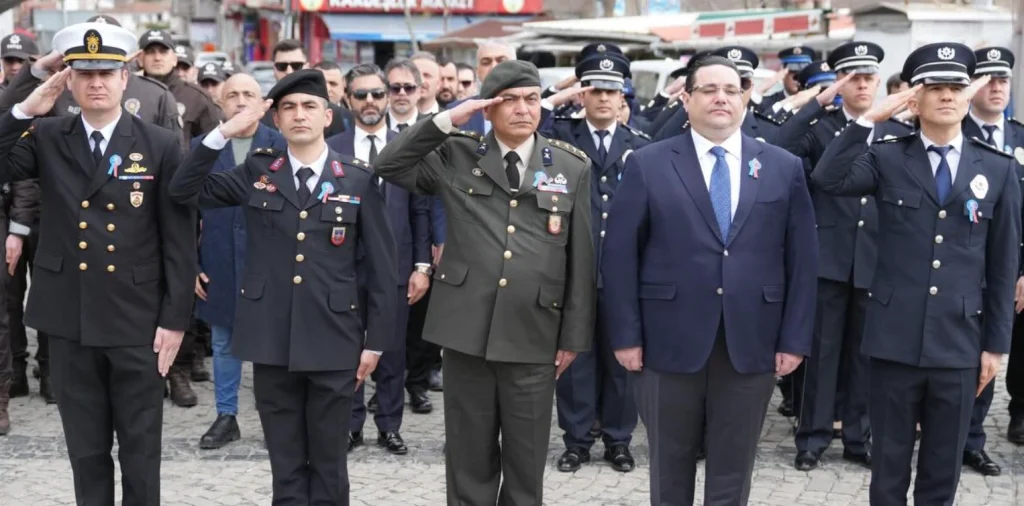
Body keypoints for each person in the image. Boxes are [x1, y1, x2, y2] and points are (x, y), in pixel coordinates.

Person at [169, 69, 397, 505]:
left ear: (328, 116)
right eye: (288, 107)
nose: (299, 115)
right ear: (275, 119)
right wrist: (224, 131)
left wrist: (377, 342)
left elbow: (383, 270)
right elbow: (183, 191)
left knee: (330, 465)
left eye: (309, 106)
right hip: (270, 336)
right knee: (286, 464)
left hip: (334, 337)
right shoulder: (256, 171)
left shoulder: (357, 178)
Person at [374, 59, 595, 505]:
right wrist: (444, 120)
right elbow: (389, 164)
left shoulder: (571, 167)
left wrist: (573, 335)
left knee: (526, 464)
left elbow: (582, 258)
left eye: (531, 99)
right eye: (508, 100)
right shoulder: (457, 152)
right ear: (487, 110)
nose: (521, 109)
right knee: (468, 460)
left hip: (534, 333)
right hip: (465, 331)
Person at [601, 55, 817, 505]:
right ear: (686, 99)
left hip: (752, 340)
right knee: (669, 464)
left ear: (746, 98)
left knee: (733, 468)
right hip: (666, 341)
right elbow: (619, 256)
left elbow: (802, 260)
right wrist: (625, 335)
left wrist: (794, 339)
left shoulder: (782, 166)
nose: (721, 98)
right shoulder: (648, 163)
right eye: (708, 90)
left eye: (732, 90)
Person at [811, 43, 1020, 505]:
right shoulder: (888, 156)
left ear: (969, 96)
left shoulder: (999, 169)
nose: (947, 96)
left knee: (941, 474)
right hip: (892, 340)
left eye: (956, 87)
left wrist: (995, 345)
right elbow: (829, 179)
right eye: (935, 87)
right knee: (887, 469)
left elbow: (1003, 266)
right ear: (914, 98)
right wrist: (870, 119)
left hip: (959, 342)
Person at [0, 22, 196, 503]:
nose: (96, 82)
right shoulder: (47, 134)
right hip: (69, 318)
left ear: (125, 78)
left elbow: (179, 239)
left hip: (136, 319)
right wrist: (25, 103)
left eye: (107, 72)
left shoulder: (159, 144)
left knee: (140, 451)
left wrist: (175, 321)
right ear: (68, 80)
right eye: (83, 72)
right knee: (85, 453)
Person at [774, 41, 913, 472]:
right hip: (828, 257)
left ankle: (858, 436)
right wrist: (819, 101)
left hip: (875, 259)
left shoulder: (896, 131)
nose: (864, 84)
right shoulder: (821, 127)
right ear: (840, 81)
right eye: (854, 77)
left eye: (870, 77)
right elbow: (780, 146)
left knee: (864, 355)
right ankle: (812, 438)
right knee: (822, 353)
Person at [539, 50, 647, 474]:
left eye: (611, 90)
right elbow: (533, 126)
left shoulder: (639, 146)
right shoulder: (561, 139)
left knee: (622, 360)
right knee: (575, 359)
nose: (603, 98)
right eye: (594, 89)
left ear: (623, 96)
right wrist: (558, 95)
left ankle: (619, 440)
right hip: (573, 271)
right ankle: (577, 440)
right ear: (581, 94)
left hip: (623, 273)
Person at [326, 63, 432, 455]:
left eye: (377, 94)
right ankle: (351, 424)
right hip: (344, 268)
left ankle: (390, 425)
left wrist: (422, 266)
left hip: (398, 267)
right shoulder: (332, 146)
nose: (369, 101)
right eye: (361, 95)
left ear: (388, 98)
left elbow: (420, 210)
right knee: (347, 350)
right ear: (347, 100)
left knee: (393, 352)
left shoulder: (408, 145)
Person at [194, 73, 287, 450]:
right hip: (219, 259)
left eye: (249, 94)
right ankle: (226, 416)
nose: (241, 100)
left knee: (273, 344)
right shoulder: (203, 146)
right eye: (232, 94)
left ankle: (276, 417)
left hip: (271, 262)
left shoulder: (282, 145)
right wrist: (190, 262)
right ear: (220, 101)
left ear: (263, 102)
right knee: (224, 341)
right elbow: (183, 209)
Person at [956, 46, 1024, 474]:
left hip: (1012, 271)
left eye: (1004, 80)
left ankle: (973, 440)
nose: (998, 87)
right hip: (966, 267)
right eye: (989, 80)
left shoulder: (1020, 137)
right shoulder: (953, 131)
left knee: (996, 355)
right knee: (965, 355)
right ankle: (955, 435)